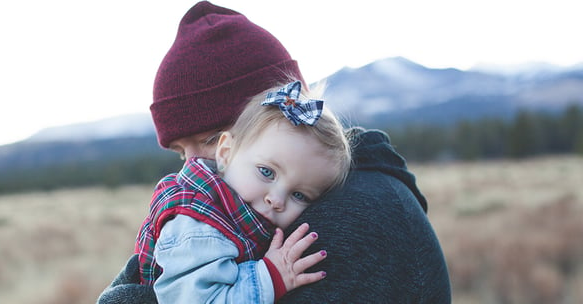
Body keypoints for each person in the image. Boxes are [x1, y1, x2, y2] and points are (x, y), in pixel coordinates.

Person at [98, 1, 451, 303]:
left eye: (209, 139)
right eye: (180, 152)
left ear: (275, 114)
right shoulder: (224, 211)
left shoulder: (347, 221)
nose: (192, 167)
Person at [136, 80, 351, 303]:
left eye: (299, 195)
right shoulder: (198, 226)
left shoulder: (237, 213)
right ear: (226, 152)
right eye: (267, 172)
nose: (276, 200)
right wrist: (270, 277)